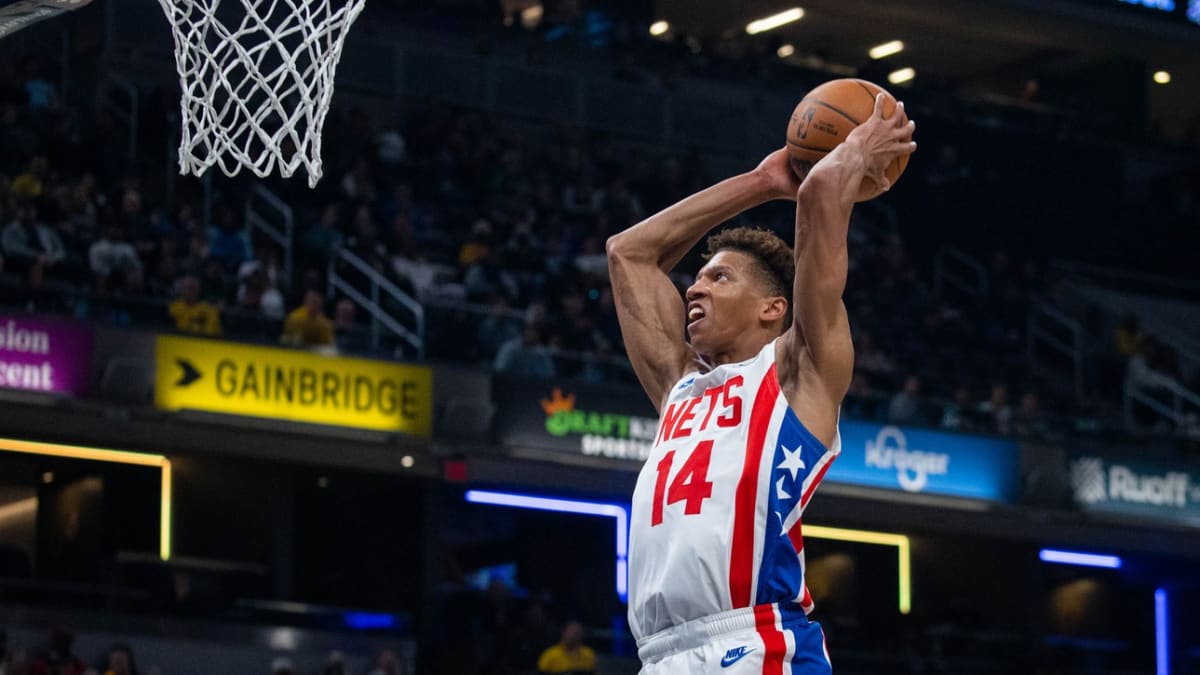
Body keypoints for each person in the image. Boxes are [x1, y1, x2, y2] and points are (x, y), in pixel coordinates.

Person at [606, 94, 914, 673]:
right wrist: (758, 181)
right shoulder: (679, 390)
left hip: (756, 643)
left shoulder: (799, 372)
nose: (694, 290)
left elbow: (822, 194)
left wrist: (852, 149)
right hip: (660, 655)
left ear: (775, 307)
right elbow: (629, 255)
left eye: (718, 277)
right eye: (695, 278)